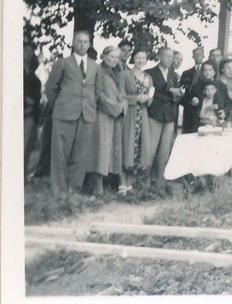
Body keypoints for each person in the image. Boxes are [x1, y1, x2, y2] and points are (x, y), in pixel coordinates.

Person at [44, 31, 99, 201]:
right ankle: (59, 192)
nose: (82, 44)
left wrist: (88, 105)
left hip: (86, 114)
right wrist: (61, 105)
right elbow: (51, 88)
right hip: (64, 113)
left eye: (85, 42)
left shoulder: (95, 66)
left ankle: (73, 190)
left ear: (89, 44)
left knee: (80, 154)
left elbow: (97, 91)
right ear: (73, 44)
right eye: (79, 41)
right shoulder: (63, 63)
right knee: (60, 153)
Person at [86, 46, 127, 197]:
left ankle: (107, 184)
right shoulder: (98, 71)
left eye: (117, 57)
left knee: (112, 152)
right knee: (99, 151)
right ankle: (98, 188)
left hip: (115, 116)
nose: (114, 60)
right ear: (103, 56)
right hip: (102, 115)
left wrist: (123, 105)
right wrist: (116, 107)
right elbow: (98, 95)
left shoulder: (118, 73)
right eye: (111, 56)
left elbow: (122, 93)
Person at [145, 47, 182, 196]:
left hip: (169, 116)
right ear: (159, 56)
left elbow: (176, 93)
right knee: (150, 149)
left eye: (172, 57)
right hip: (155, 114)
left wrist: (176, 94)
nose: (170, 59)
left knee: (164, 151)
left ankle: (160, 183)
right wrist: (170, 91)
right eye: (167, 56)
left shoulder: (174, 74)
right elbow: (153, 91)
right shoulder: (151, 73)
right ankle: (145, 183)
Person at [121, 50, 154, 194]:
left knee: (140, 147)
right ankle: (123, 183)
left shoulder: (148, 77)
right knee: (127, 145)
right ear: (133, 58)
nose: (140, 60)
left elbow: (151, 94)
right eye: (138, 57)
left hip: (143, 114)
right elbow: (120, 95)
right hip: (129, 114)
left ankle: (133, 183)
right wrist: (135, 99)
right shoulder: (125, 75)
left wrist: (148, 99)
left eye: (143, 58)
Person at [186, 62, 226, 133]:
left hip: (217, 123)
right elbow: (189, 106)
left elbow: (227, 103)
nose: (207, 73)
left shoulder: (222, 86)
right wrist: (193, 103)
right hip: (200, 123)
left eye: (210, 70)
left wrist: (225, 111)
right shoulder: (196, 87)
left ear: (214, 72)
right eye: (205, 70)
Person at [24, 42, 42, 179]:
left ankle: (23, 175)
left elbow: (38, 96)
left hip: (31, 114)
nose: (28, 54)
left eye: (31, 52)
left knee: (27, 145)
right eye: (26, 51)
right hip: (18, 112)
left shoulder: (34, 77)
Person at [218, 58, 232, 124]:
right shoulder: (216, 80)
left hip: (230, 113)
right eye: (228, 68)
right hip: (217, 110)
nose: (231, 71)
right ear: (222, 69)